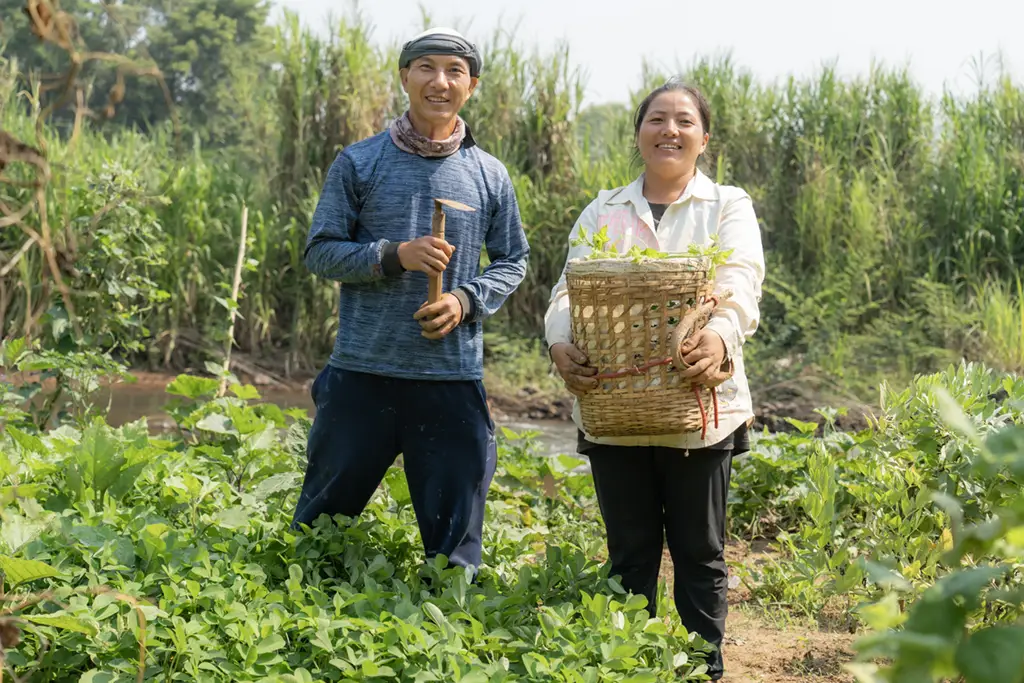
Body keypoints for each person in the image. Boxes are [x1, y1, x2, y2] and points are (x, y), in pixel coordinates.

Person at [543, 80, 765, 681]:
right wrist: (560, 343)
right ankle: (627, 667)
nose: (670, 130)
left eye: (684, 121)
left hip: (698, 406)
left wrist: (718, 335)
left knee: (700, 551)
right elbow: (568, 288)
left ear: (704, 139)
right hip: (612, 403)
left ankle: (702, 669)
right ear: (638, 133)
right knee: (630, 553)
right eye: (657, 119)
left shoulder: (726, 205)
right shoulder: (604, 209)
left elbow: (741, 279)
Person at [291, 27, 530, 574]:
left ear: (471, 85)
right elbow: (321, 252)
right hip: (361, 374)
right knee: (319, 531)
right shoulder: (359, 162)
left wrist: (465, 302)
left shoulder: (489, 175)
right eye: (425, 68)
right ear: (405, 78)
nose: (439, 82)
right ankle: (301, 619)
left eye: (454, 71)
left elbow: (514, 260)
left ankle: (445, 634)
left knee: (454, 549)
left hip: (450, 380)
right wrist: (395, 254)